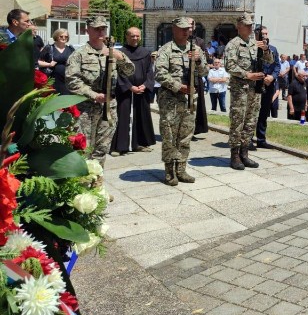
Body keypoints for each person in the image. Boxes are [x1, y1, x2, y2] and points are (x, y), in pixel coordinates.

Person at [65, 15, 135, 191]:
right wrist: (93, 94)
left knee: (102, 149)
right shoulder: (79, 54)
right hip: (86, 109)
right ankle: (81, 188)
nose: (101, 32)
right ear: (87, 30)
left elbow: (130, 72)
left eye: (103, 28)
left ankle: (96, 188)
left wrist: (120, 57)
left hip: (108, 108)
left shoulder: (113, 52)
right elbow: (72, 80)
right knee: (84, 149)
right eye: (96, 29)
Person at [154, 17, 208, 185]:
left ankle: (181, 169)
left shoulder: (196, 49)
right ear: (174, 29)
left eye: (188, 29)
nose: (186, 32)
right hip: (170, 100)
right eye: (182, 29)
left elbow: (205, 71)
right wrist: (179, 87)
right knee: (169, 136)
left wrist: (198, 60)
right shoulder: (166, 50)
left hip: (189, 101)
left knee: (185, 136)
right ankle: (170, 171)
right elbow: (160, 74)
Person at [224, 13, 264, 170]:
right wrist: (248, 75)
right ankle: (234, 156)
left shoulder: (255, 44)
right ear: (239, 27)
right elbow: (230, 66)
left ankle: (244, 153)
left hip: (255, 89)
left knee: (250, 121)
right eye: (246, 25)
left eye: (251, 25)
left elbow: (269, 60)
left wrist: (266, 50)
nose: (250, 27)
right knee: (238, 121)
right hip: (240, 89)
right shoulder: (233, 45)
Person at [111, 26, 156, 155]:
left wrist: (146, 84)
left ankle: (140, 144)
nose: (135, 38)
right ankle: (119, 147)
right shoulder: (120, 53)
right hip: (125, 90)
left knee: (141, 116)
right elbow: (117, 73)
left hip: (141, 90)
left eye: (137, 35)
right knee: (123, 116)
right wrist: (129, 86)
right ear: (127, 37)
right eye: (132, 35)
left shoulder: (145, 52)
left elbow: (149, 71)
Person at [254, 26, 281, 149]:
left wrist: (272, 77)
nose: (265, 36)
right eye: (262, 34)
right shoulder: (252, 48)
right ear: (256, 34)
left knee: (264, 113)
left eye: (266, 33)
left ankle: (261, 139)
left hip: (269, 84)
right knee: (252, 112)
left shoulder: (273, 49)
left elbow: (277, 66)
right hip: (255, 84)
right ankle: (248, 139)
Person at [38, 28, 75, 95]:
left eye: (66, 36)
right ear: (56, 36)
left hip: (67, 80)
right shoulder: (49, 48)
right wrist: (49, 64)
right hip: (53, 80)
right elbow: (38, 62)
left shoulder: (70, 49)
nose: (64, 38)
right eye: (61, 36)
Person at [189, 21, 208, 139]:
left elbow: (205, 59)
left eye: (192, 25)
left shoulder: (199, 42)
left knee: (197, 105)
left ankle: (195, 129)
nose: (190, 27)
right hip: (183, 77)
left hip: (197, 76)